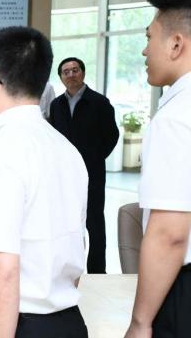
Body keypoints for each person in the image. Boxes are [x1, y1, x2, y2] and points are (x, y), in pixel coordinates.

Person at [0, 26, 89, 338]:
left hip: (16, 326)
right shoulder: (65, 149)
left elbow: (0, 269)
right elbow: (76, 245)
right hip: (66, 323)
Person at [124, 0, 191, 338]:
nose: (144, 50)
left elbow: (170, 234)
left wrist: (140, 322)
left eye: (150, 37)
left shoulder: (176, 117)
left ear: (176, 43)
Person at [49, 57, 119, 274]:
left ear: (83, 73)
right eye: (66, 72)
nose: (71, 75)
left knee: (94, 223)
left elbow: (112, 135)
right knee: (67, 223)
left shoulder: (99, 102)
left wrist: (96, 157)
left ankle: (98, 271)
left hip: (93, 173)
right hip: (65, 174)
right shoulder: (56, 105)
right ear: (61, 77)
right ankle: (69, 269)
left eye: (75, 70)